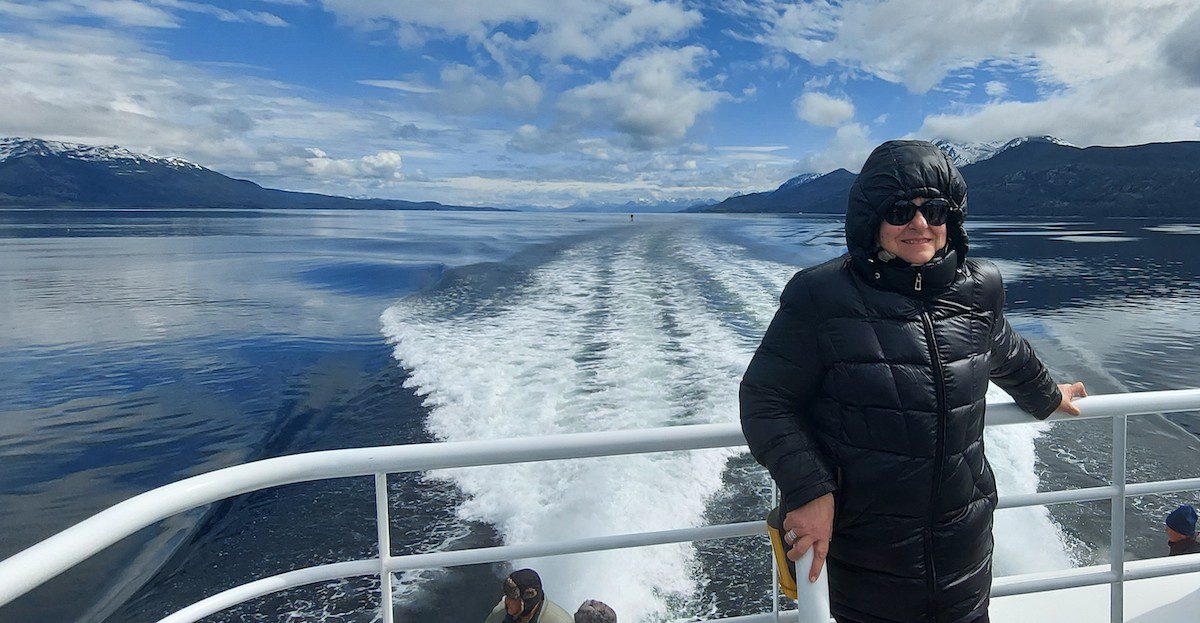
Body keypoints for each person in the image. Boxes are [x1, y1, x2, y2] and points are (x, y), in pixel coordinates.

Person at [740, 139, 1087, 623]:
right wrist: (809, 489)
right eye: (899, 210)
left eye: (935, 210)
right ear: (870, 219)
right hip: (867, 556)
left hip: (964, 547)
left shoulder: (978, 288)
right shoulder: (821, 297)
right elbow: (765, 399)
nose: (920, 224)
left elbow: (1005, 350)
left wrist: (1051, 396)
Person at [483, 568, 574, 623]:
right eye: (507, 596)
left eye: (513, 598)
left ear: (527, 600)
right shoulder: (498, 615)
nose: (507, 601)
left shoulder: (559, 621)